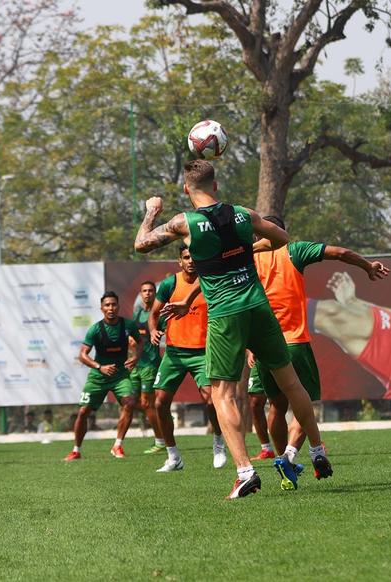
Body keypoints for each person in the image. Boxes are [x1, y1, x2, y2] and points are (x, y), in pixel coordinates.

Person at [134, 159, 333, 499]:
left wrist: (151, 212)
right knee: (291, 382)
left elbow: (141, 243)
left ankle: (244, 472)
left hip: (226, 313)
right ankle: (317, 450)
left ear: (186, 188)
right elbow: (281, 239)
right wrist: (247, 246)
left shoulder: (185, 223)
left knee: (223, 394)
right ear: (216, 185)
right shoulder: (243, 214)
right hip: (258, 306)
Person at [246, 215, 389, 490]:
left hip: (264, 343)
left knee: (275, 406)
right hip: (295, 342)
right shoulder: (294, 250)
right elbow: (341, 252)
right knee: (303, 404)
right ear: (282, 233)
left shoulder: (247, 258)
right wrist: (367, 266)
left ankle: (283, 463)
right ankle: (295, 454)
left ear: (256, 235)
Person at [146, 244, 227, 472]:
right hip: (174, 353)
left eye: (194, 257)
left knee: (211, 400)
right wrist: (153, 330)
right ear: (179, 261)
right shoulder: (170, 284)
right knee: (160, 402)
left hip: (203, 352)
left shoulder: (209, 282)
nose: (191, 261)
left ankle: (218, 442)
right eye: (186, 257)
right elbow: (153, 314)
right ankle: (173, 457)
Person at [64, 291, 141, 461]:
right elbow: (82, 355)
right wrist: (100, 367)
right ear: (101, 308)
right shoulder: (95, 330)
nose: (110, 308)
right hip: (98, 377)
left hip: (120, 375)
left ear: (118, 306)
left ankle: (117, 445)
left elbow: (140, 343)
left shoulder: (128, 325)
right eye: (107, 305)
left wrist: (135, 357)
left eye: (113, 304)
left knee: (129, 403)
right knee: (83, 411)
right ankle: (76, 450)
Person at [131, 280, 166, 453]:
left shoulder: (159, 314)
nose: (147, 294)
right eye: (144, 291)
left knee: (147, 403)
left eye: (151, 291)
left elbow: (169, 330)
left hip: (151, 365)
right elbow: (133, 337)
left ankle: (160, 441)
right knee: (129, 402)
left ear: (155, 293)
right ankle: (164, 422)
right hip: (137, 365)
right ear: (141, 293)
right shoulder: (137, 315)